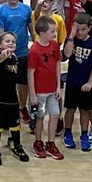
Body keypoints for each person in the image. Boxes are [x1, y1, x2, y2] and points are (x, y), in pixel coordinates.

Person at [61, 13, 92, 152]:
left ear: (89, 28)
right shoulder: (72, 40)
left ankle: (84, 134)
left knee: (84, 111)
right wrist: (71, 36)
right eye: (77, 29)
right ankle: (67, 132)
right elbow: (66, 55)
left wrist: (90, 82)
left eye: (83, 29)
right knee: (70, 109)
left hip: (86, 83)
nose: (80, 32)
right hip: (72, 81)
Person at [27, 16, 65, 160]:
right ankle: (38, 142)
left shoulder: (54, 46)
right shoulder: (34, 50)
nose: (54, 34)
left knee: (55, 115)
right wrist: (33, 94)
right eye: (52, 31)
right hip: (39, 92)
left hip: (52, 90)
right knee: (40, 117)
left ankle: (50, 143)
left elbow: (57, 64)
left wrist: (57, 86)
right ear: (42, 34)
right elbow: (30, 73)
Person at [0, 31, 29, 165]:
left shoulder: (15, 57)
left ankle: (17, 145)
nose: (11, 43)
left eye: (13, 41)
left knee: (15, 125)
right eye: (7, 41)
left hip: (12, 98)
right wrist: (3, 55)